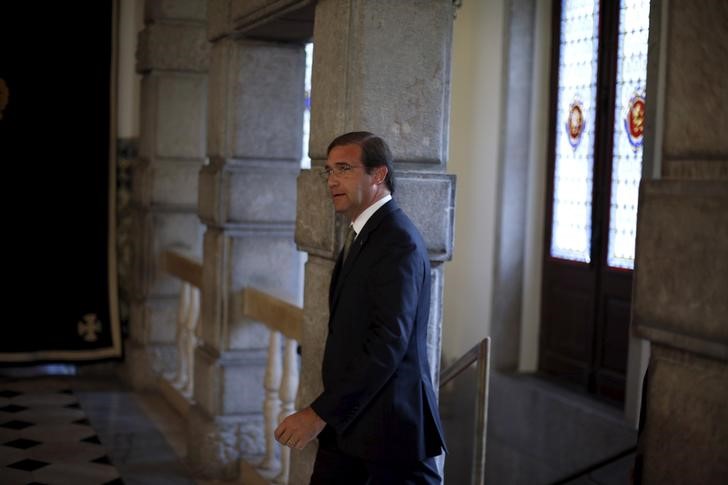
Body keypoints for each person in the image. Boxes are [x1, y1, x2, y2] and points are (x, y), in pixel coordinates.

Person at [274, 131, 447, 484]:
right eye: (329, 171)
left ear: (378, 175)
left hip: (388, 430)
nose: (332, 180)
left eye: (344, 169)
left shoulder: (397, 240)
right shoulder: (362, 233)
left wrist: (319, 413)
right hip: (352, 425)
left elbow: (388, 343)